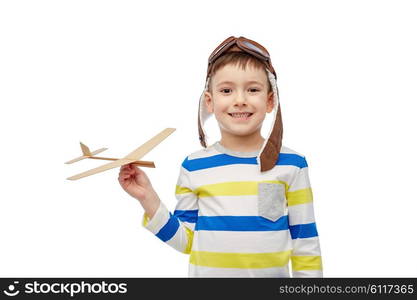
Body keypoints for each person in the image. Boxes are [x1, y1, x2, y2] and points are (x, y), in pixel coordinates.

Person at [118, 36, 323, 277]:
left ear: (270, 100)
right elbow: (187, 242)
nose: (240, 100)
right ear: (210, 102)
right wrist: (148, 198)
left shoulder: (292, 165)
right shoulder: (194, 166)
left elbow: (305, 244)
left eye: (253, 89)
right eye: (226, 90)